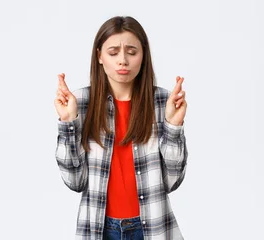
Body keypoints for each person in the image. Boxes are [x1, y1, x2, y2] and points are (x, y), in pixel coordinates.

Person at [54, 16, 188, 240]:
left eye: (132, 52)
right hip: (99, 229)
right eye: (113, 52)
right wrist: (68, 123)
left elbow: (172, 182)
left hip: (152, 229)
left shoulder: (163, 102)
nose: (123, 60)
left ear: (143, 56)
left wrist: (173, 126)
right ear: (99, 56)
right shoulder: (80, 103)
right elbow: (74, 182)